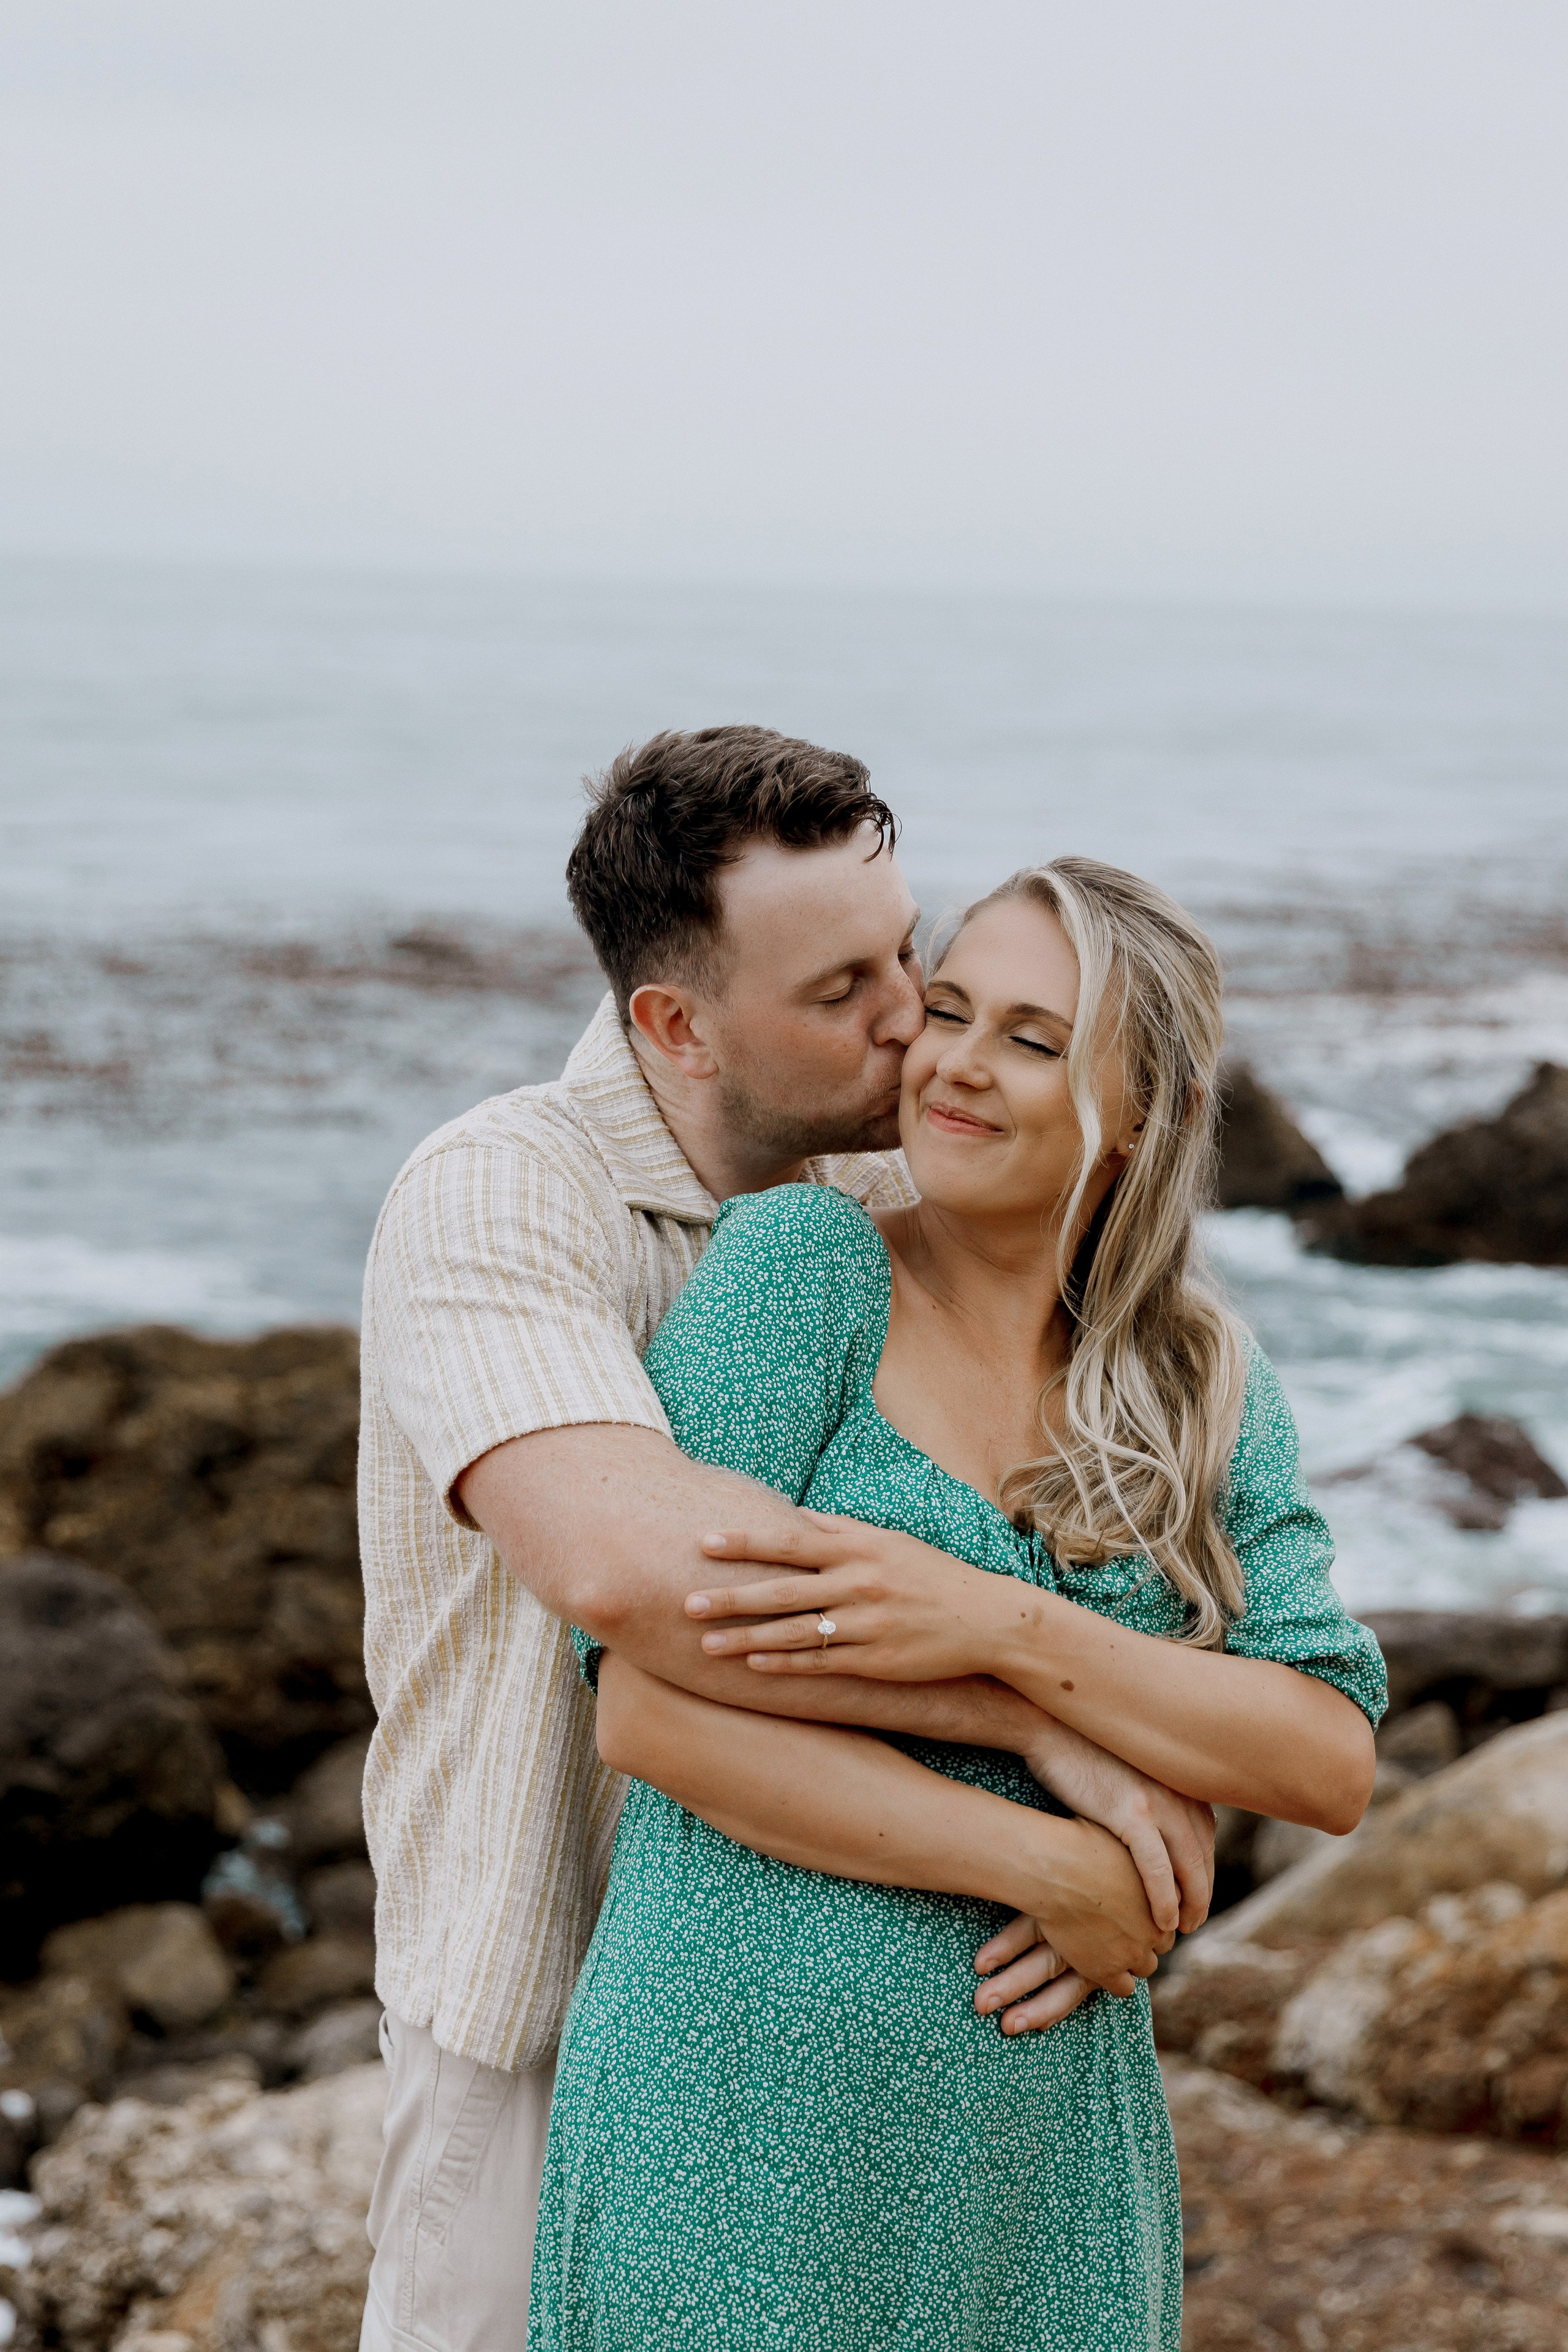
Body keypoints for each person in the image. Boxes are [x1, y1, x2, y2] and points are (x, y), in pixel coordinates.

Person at [358, 734, 1216, 2352]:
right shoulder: (500, 1195)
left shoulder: (898, 1190)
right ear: (676, 1025)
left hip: (838, 2009)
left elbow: (1104, 1503)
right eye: (844, 990)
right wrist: (1041, 1713)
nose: (914, 1016)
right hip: (536, 2008)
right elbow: (640, 1578)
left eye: (909, 948)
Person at [527, 857, 1385, 2350]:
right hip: (732, 2129)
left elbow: (1320, 1757)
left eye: (1032, 1040)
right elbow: (651, 1706)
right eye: (946, 1011)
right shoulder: (802, 1273)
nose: (955, 1067)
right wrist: (1050, 1868)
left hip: (1038, 2166)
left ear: (1142, 1122)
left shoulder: (1201, 1385)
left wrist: (1005, 1626)